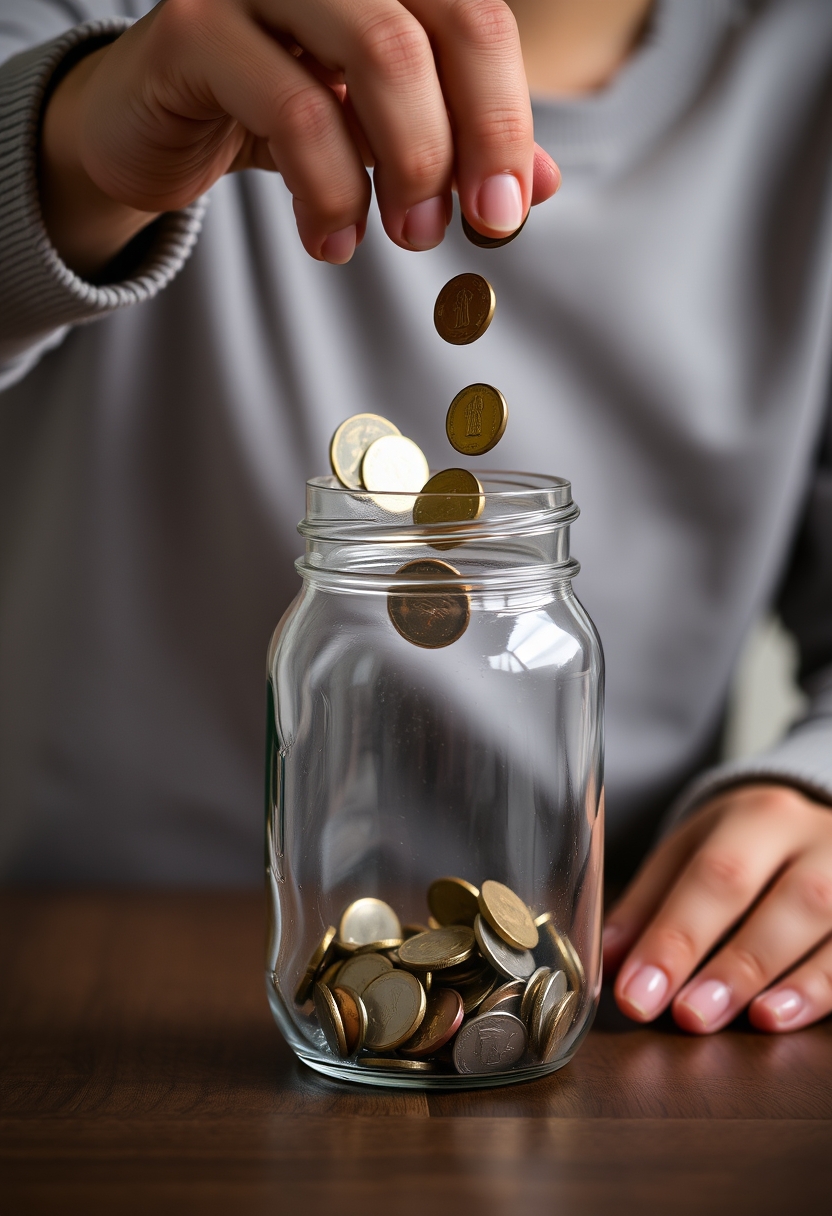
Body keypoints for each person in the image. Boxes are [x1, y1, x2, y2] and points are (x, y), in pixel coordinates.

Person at [1, 0, 831, 1037]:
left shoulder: (810, 74)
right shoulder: (102, 22)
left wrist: (816, 785)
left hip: (612, 991)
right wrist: (60, 149)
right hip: (63, 984)